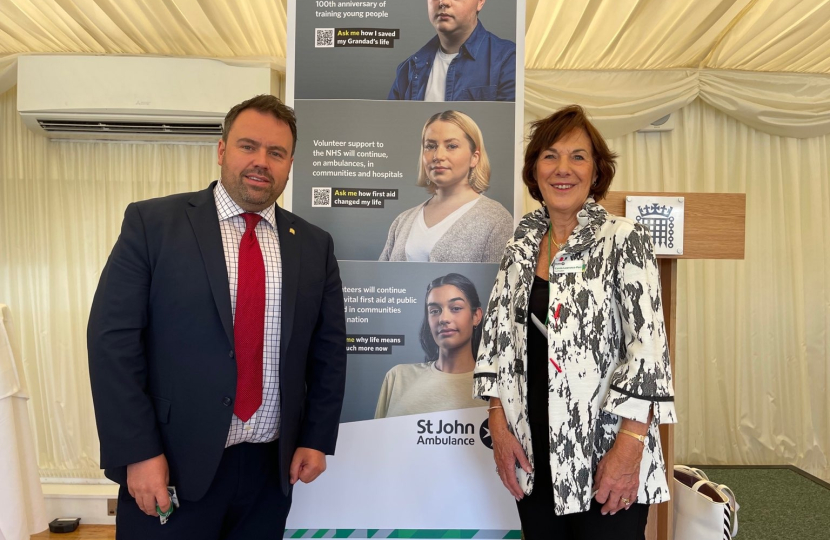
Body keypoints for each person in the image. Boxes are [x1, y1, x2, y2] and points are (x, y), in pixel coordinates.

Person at [87, 95, 347, 539]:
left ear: (289, 164)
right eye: (249, 146)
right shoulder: (153, 224)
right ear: (222, 150)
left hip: (270, 470)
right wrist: (138, 452)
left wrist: (316, 437)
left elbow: (328, 352)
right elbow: (112, 342)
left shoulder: (314, 245)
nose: (261, 161)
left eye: (276, 152)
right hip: (170, 464)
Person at [473, 105, 676, 539]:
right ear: (534, 170)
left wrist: (631, 446)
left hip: (606, 452)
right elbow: (496, 342)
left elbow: (649, 350)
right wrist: (498, 423)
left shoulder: (624, 239)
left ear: (597, 172)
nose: (563, 168)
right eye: (550, 155)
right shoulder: (522, 243)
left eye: (578, 156)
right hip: (534, 452)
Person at [378, 110, 512, 262]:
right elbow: (381, 281)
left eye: (452, 146)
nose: (438, 156)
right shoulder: (402, 221)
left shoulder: (496, 220)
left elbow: (502, 283)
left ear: (474, 158)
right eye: (430, 146)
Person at [376, 273, 485, 418]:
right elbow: (379, 439)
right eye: (434, 311)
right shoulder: (398, 378)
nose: (443, 319)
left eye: (456, 308)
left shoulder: (497, 388)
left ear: (476, 316)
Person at [388, 0, 516, 101]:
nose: (444, 2)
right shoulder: (408, 68)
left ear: (480, 2)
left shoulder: (508, 60)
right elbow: (392, 128)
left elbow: (507, 129)